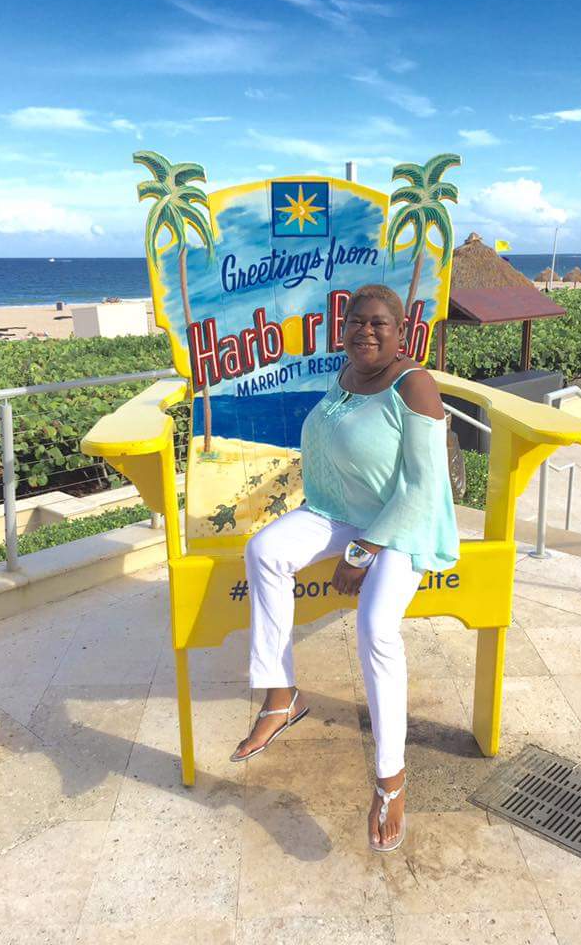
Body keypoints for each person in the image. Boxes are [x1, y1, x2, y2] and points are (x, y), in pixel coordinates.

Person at [230, 283, 460, 852]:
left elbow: (425, 487)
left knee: (376, 628)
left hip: (403, 526)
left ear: (401, 332)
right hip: (338, 514)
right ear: (345, 327)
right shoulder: (346, 376)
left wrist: (363, 552)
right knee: (264, 552)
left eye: (380, 323)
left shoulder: (415, 385)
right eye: (357, 321)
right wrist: (344, 530)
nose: (366, 331)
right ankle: (282, 698)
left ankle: (390, 778)